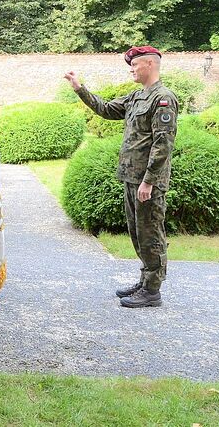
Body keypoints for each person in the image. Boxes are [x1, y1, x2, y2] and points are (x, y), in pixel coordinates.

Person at [65, 45, 178, 308]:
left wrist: (148, 181)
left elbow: (163, 144)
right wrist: (78, 87)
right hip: (131, 177)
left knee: (150, 233)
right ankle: (145, 280)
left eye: (135, 64)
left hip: (147, 181)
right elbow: (105, 109)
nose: (131, 69)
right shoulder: (137, 98)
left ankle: (152, 291)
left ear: (149, 64)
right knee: (138, 232)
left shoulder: (163, 99)